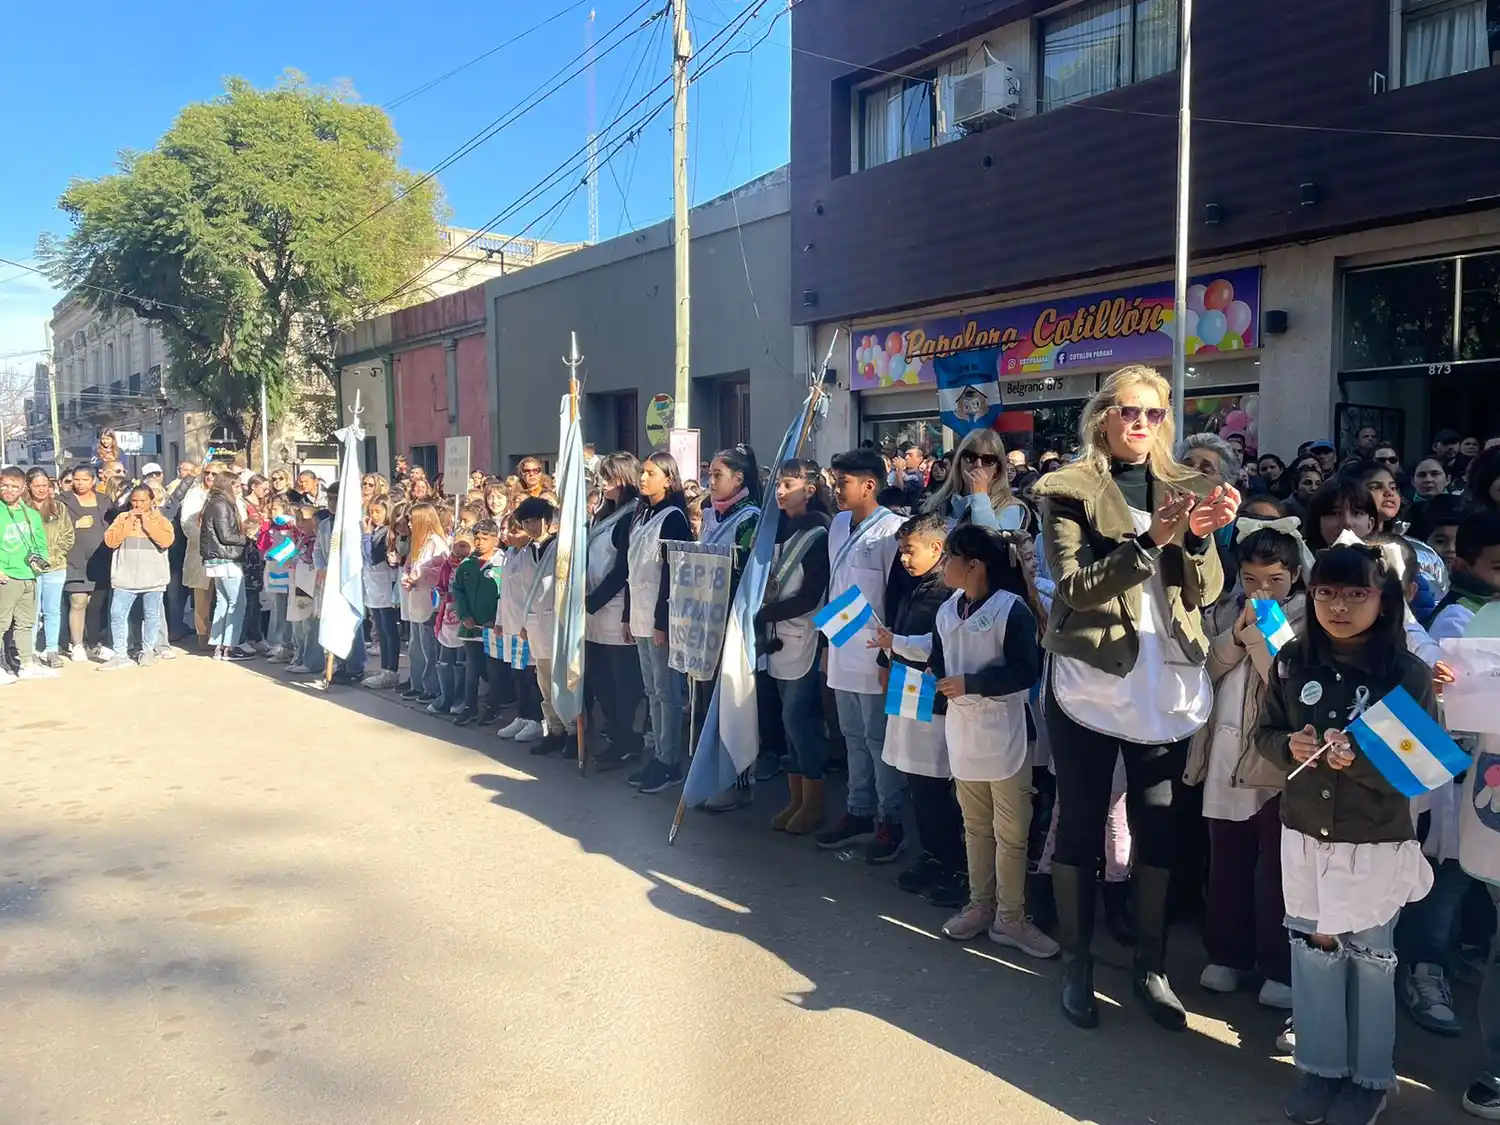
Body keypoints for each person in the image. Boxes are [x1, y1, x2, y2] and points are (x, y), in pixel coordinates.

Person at [1033, 364, 1237, 1032]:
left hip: (1164, 675)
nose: (1142, 423)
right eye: (1129, 410)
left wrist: (1199, 538)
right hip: (1092, 673)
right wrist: (1150, 540)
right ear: (1103, 416)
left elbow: (1207, 591)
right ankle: (1077, 964)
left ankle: (1151, 967)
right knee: (1081, 821)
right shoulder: (1068, 488)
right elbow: (1073, 588)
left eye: (1154, 413)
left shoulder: (1186, 484)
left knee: (1159, 824)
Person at [1254, 542, 1438, 1125]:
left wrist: (1356, 760)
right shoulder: (1292, 661)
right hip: (1305, 834)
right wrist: (1289, 746)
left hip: (1373, 841)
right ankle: (1320, 1068)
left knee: (1372, 959)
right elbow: (1265, 732)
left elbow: (1421, 767)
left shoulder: (1405, 674)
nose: (1338, 606)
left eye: (1356, 594)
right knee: (1314, 953)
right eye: (1326, 593)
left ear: (1384, 601)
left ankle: (1370, 1080)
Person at [1188, 524, 1304, 1011]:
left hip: (1273, 759)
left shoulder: (1306, 615)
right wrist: (1233, 640)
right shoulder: (1224, 610)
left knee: (1278, 868)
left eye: (1275, 580)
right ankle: (1226, 955)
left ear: (1294, 575)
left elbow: (1287, 682)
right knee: (1226, 859)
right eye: (1252, 579)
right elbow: (1203, 670)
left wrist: (1260, 634)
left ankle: (1278, 964)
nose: (1261, 590)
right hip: (1222, 752)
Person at [929, 523, 1054, 957]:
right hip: (964, 733)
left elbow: (1025, 671)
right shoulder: (947, 611)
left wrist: (973, 683)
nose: (943, 565)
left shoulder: (1010, 609)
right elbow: (939, 661)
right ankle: (980, 905)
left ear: (974, 565)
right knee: (975, 828)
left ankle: (1011, 917)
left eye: (949, 557)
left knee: (1012, 833)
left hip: (1005, 733)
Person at [815, 447, 909, 851]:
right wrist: (825, 643)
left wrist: (890, 657)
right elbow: (833, 587)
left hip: (875, 652)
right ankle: (858, 809)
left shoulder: (893, 531)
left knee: (878, 737)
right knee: (851, 733)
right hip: (841, 646)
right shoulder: (838, 524)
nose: (836, 490)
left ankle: (891, 819)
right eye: (836, 482)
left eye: (843, 483)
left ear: (869, 485)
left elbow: (899, 597)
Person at [871, 513, 956, 869]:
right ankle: (930, 855)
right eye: (901, 551)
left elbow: (939, 645)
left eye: (910, 550)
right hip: (908, 685)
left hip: (931, 693)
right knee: (915, 780)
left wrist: (896, 643)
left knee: (933, 784)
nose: (904, 559)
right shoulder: (917, 583)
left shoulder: (948, 590)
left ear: (936, 548)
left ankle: (948, 862)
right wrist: (889, 651)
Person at [759, 459, 833, 835]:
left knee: (798, 718)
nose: (780, 491)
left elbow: (811, 595)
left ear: (809, 490)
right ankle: (796, 798)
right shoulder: (775, 529)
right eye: (778, 484)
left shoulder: (818, 533)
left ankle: (815, 800)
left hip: (803, 633)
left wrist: (766, 612)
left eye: (788, 484)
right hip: (777, 635)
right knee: (787, 722)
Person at [626, 452, 693, 794]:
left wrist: (662, 621)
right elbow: (633, 570)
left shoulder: (673, 518)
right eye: (642, 472)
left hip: (659, 618)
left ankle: (670, 762)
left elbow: (673, 573)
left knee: (667, 692)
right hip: (639, 615)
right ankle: (659, 754)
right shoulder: (642, 515)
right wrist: (628, 615)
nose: (642, 478)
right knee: (652, 690)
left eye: (650, 473)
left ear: (668, 479)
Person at [583, 453, 645, 770]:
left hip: (615, 609)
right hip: (593, 613)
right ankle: (616, 734)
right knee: (599, 679)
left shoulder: (632, 515)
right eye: (602, 477)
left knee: (622, 685)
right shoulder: (604, 513)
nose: (603, 483)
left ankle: (627, 740)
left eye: (609, 477)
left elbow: (623, 569)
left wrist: (593, 601)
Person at [516, 497, 572, 756]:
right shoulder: (525, 552)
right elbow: (523, 591)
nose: (529, 526)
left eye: (533, 521)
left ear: (547, 521)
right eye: (525, 522)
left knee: (565, 683)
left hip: (558, 623)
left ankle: (573, 732)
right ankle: (555, 730)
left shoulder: (560, 548)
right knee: (545, 683)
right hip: (536, 624)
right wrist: (524, 623)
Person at [99, 484, 175, 670]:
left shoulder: (161, 520)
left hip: (153, 578)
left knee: (152, 616)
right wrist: (128, 522)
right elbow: (110, 541)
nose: (138, 504)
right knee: (117, 615)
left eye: (143, 501)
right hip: (125, 578)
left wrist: (146, 522)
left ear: (152, 501)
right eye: (134, 500)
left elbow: (165, 541)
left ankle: (148, 651)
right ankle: (120, 655)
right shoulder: (122, 518)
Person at [0, 466, 52, 683]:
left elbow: (40, 543)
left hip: (29, 576)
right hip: (6, 577)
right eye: (4, 486)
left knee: (25, 623)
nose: (9, 490)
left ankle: (26, 664)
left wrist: (42, 562)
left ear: (23, 488)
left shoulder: (31, 514)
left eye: (14, 486)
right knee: (1, 624)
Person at [922, 428, 1030, 531]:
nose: (978, 465)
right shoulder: (938, 503)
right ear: (959, 462)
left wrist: (980, 496)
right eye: (970, 457)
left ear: (997, 469)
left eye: (988, 460)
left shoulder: (1009, 506)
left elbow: (990, 540)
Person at [451, 518, 504, 726]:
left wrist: (496, 619)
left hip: (493, 627)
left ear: (496, 539)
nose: (480, 542)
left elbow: (507, 594)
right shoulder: (467, 564)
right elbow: (458, 590)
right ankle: (470, 706)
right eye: (477, 538)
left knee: (493, 668)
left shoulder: (504, 564)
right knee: (472, 668)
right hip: (471, 627)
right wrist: (464, 614)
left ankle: (493, 706)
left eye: (485, 538)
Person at [61, 464, 115, 661]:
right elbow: (54, 527)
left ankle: (93, 643)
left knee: (96, 605)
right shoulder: (62, 501)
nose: (79, 483)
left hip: (100, 560)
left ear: (93, 481)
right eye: (76, 479)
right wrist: (75, 525)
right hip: (74, 560)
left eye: (84, 479)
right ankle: (77, 645)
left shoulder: (104, 500)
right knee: (78, 601)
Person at [398, 502, 448, 704]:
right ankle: (417, 683)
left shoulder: (437, 544)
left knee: (430, 649)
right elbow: (408, 566)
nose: (409, 524)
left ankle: (432, 688)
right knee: (416, 648)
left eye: (412, 520)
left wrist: (421, 574)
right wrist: (407, 577)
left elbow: (441, 571)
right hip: (416, 601)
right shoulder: (417, 543)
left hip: (430, 604)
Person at [25, 469, 73, 670]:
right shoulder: (21, 509)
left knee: (52, 610)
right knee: (32, 611)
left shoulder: (59, 508)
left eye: (45, 485)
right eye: (37, 486)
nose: (42, 489)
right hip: (29, 569)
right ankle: (30, 651)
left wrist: (52, 555)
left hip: (55, 566)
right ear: (28, 486)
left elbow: (68, 536)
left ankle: (52, 649)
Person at [200, 470, 250, 662]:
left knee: (223, 601)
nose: (240, 489)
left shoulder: (215, 502)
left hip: (219, 558)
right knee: (236, 602)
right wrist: (247, 538)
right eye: (236, 485)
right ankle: (230, 646)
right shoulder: (221, 504)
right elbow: (226, 535)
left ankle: (218, 645)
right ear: (228, 485)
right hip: (226, 558)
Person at [361, 497, 401, 689]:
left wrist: (366, 536)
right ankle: (384, 668)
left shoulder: (387, 533)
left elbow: (372, 556)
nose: (374, 516)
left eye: (378, 512)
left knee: (388, 629)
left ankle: (391, 669)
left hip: (385, 586)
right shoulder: (376, 531)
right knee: (381, 630)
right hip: (374, 587)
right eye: (371, 512)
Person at [259, 497, 297, 662]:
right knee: (277, 610)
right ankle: (280, 644)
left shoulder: (289, 525)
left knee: (286, 612)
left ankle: (286, 645)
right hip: (274, 574)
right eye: (271, 509)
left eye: (275, 509)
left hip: (287, 575)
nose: (272, 512)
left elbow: (291, 546)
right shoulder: (271, 527)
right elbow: (263, 547)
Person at [1304, 479, 1379, 552]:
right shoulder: (1301, 557)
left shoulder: (1382, 558)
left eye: (1357, 513)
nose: (1347, 522)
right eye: (1335, 513)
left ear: (1370, 524)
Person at [1360, 464, 1404, 533]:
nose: (1389, 492)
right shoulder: (1346, 537)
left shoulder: (1403, 533)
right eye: (1375, 487)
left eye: (1392, 488)